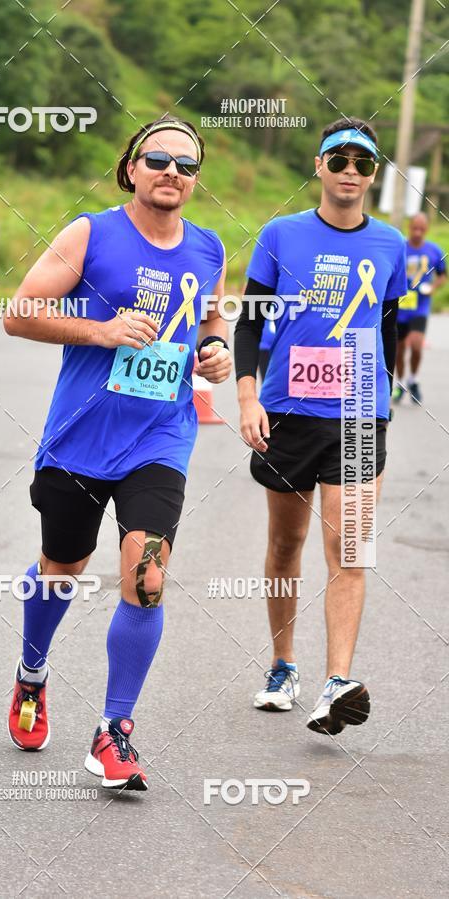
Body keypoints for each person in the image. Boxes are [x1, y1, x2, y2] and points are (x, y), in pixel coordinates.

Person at [3, 116, 231, 791]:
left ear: (195, 179)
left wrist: (216, 350)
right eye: (157, 159)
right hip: (79, 437)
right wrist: (101, 330)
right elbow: (18, 312)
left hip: (160, 438)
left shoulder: (209, 248)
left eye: (185, 164)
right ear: (130, 169)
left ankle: (114, 730)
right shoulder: (91, 234)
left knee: (147, 575)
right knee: (63, 566)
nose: (171, 172)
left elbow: (210, 318)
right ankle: (32, 674)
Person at [235, 117, 407, 735]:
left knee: (350, 548)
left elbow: (388, 326)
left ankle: (337, 683)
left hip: (359, 413)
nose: (350, 172)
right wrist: (247, 396)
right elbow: (249, 322)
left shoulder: (390, 243)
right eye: (339, 160)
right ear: (319, 166)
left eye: (363, 163)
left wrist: (382, 400)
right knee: (287, 544)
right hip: (288, 411)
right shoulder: (281, 234)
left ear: (373, 173)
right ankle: (283, 665)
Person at [393, 212, 446, 404]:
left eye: (421, 229)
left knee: (416, 345)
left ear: (426, 229)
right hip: (400, 308)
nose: (417, 232)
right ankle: (401, 384)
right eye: (414, 228)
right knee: (399, 349)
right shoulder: (400, 248)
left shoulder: (434, 251)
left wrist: (433, 287)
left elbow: (442, 275)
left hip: (420, 308)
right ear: (409, 227)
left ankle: (413, 380)